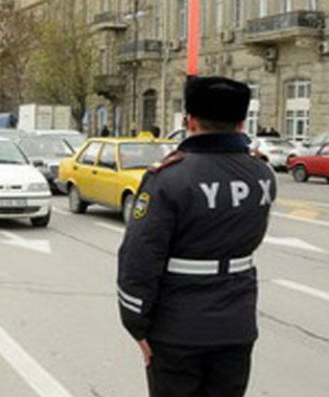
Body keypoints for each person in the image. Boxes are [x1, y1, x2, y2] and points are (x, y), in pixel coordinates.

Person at [117, 76, 277, 397]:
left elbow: (139, 257)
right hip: (237, 324)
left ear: (189, 121)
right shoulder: (262, 174)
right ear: (241, 122)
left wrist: (135, 322)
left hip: (178, 329)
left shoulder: (169, 177)